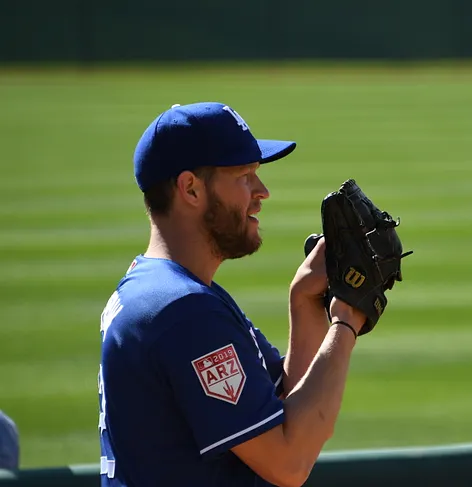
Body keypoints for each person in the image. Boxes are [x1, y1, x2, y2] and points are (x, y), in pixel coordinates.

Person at [98, 101, 367, 487]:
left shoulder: (160, 289)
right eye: (244, 176)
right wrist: (346, 323)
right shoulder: (183, 310)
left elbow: (285, 410)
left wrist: (305, 302)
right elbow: (288, 463)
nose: (262, 192)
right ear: (190, 188)